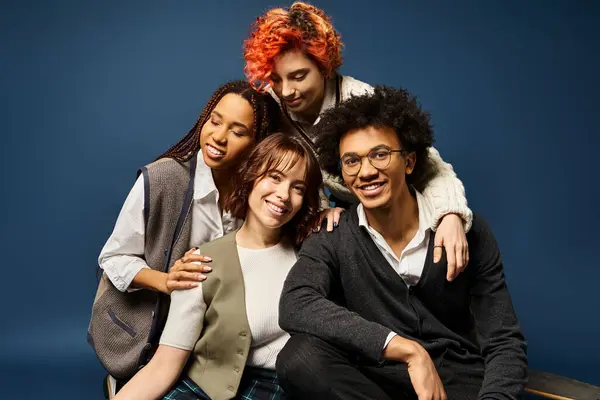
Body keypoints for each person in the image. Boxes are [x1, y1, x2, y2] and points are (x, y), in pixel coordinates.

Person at [276, 87, 528, 400]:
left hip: (457, 385)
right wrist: (406, 349)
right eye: (351, 161)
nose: (366, 172)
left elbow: (503, 341)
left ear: (409, 162)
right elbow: (295, 303)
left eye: (380, 154)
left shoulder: (466, 231)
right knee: (299, 357)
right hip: (375, 383)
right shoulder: (333, 235)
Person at [244, 2, 471, 280]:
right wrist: (323, 211)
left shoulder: (362, 100)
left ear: (324, 67)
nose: (286, 90)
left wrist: (450, 216)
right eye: (275, 79)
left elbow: (433, 167)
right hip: (355, 220)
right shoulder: (273, 106)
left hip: (406, 216)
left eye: (299, 76)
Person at [113, 133, 323, 400]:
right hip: (203, 388)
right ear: (251, 177)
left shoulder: (311, 254)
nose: (283, 195)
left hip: (277, 389)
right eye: (275, 177)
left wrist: (336, 215)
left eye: (298, 188)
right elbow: (164, 366)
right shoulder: (203, 261)